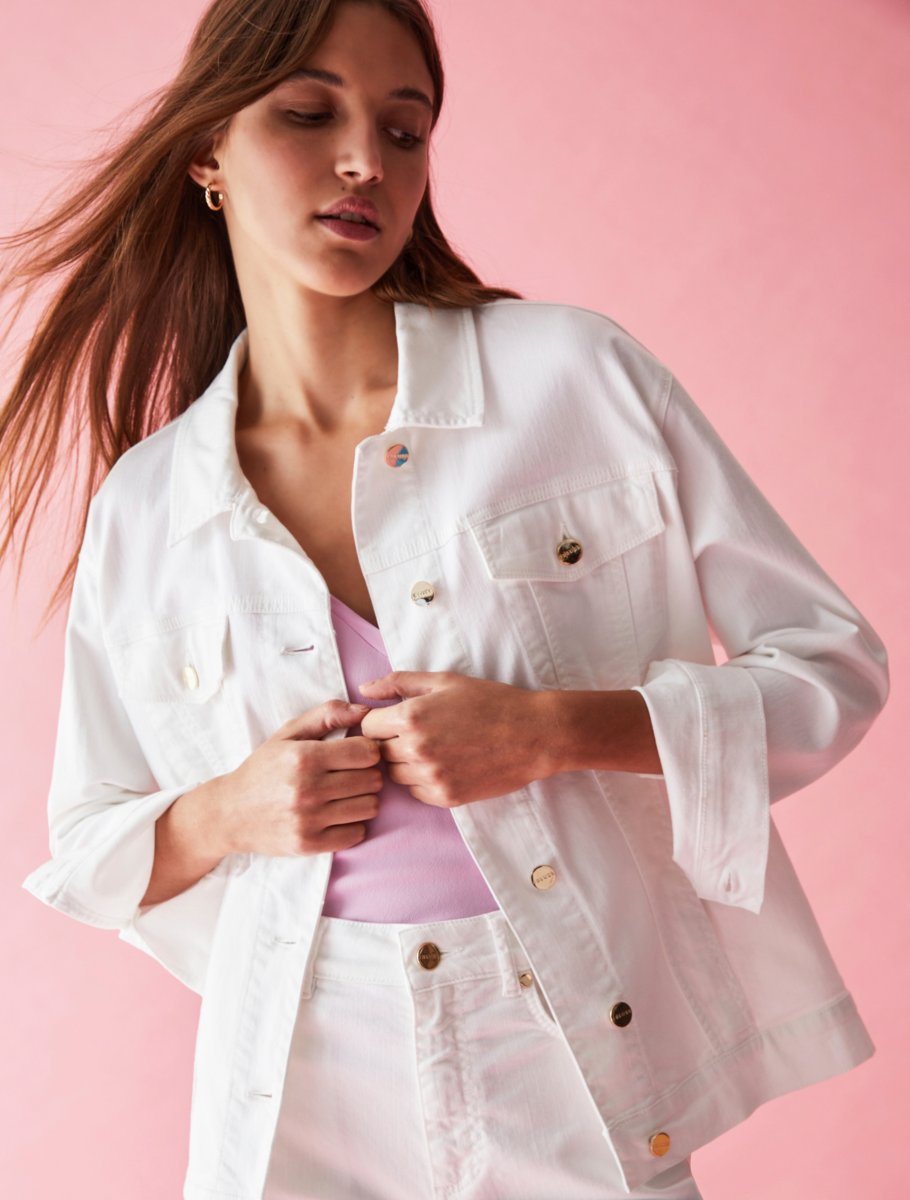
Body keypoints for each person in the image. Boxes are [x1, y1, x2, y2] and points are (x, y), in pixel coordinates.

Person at [4, 1, 889, 1198]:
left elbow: (829, 665)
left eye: (403, 130)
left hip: (560, 1044)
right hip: (302, 1075)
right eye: (308, 114)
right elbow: (90, 844)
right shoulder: (152, 504)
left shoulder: (571, 377)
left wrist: (551, 731)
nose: (364, 162)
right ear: (207, 151)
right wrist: (229, 811)